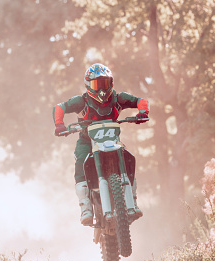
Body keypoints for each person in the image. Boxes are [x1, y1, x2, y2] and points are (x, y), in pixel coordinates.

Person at [53, 63, 150, 226]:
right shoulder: (81, 101)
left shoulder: (118, 99)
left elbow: (141, 101)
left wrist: (143, 113)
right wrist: (59, 124)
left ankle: (132, 200)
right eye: (96, 85)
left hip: (113, 140)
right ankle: (85, 207)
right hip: (87, 141)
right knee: (80, 162)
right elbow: (59, 107)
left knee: (129, 158)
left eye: (104, 83)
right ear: (88, 85)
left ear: (111, 83)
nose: (101, 89)